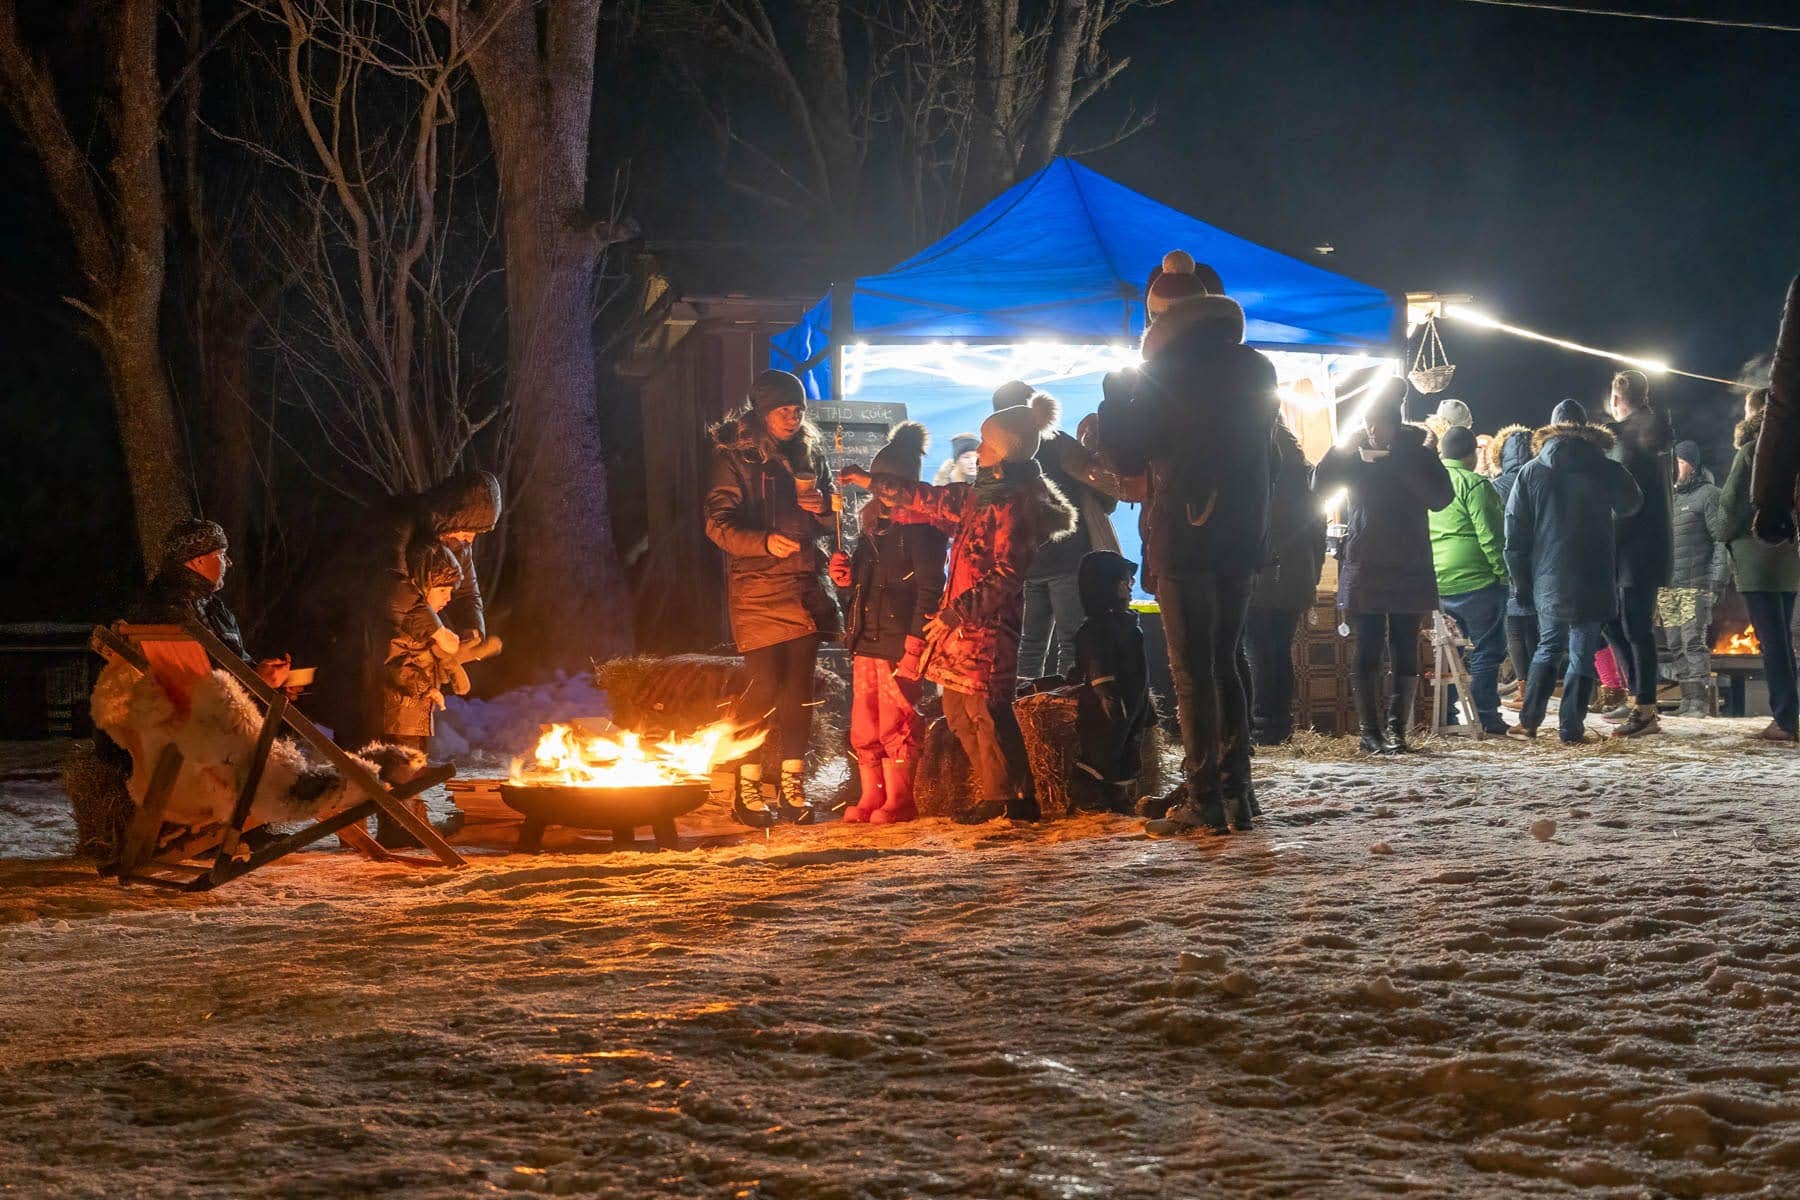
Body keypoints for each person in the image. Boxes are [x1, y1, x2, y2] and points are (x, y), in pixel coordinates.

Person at [846, 394, 1075, 824]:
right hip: (962, 627)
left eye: (987, 444)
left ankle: (1009, 798)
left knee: (986, 710)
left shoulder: (1014, 505)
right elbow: (933, 499)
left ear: (1004, 452)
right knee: (957, 711)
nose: (979, 451)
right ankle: (1000, 792)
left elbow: (1007, 573)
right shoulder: (982, 495)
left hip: (987, 629)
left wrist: (959, 611)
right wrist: (870, 483)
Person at [1098, 289, 1277, 834]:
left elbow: (1127, 454)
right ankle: (1235, 792)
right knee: (1224, 662)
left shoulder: (1170, 372)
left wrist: (1115, 396)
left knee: (1192, 669)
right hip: (1242, 536)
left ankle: (1204, 799)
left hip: (1187, 534)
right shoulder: (1255, 368)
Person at [706, 369, 841, 827]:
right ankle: (744, 790)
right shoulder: (736, 457)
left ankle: (792, 789)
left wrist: (823, 509)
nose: (793, 416)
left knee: (798, 689)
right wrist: (763, 542)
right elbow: (718, 524)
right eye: (784, 408)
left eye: (798, 408)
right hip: (757, 587)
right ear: (762, 413)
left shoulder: (809, 454)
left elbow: (835, 525)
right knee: (761, 687)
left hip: (803, 583)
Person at [1312, 398, 1454, 756]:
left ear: (1396, 425)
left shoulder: (1419, 454)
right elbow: (1319, 484)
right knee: (1368, 645)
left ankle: (1397, 730)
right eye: (1368, 424)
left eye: (1379, 424)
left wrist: (1399, 463)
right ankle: (1369, 732)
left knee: (1406, 646)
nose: (1373, 431)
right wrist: (1342, 447)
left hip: (1410, 562)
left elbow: (1440, 498)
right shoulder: (1356, 454)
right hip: (1366, 562)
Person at [828, 422, 948, 824]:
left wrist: (916, 644)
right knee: (864, 723)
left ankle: (899, 797)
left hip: (900, 641)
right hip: (868, 638)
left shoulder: (923, 530)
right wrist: (844, 578)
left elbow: (930, 589)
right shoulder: (870, 529)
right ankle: (870, 795)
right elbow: (860, 588)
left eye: (885, 484)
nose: (879, 494)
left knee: (898, 718)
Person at [1504, 400, 1642, 742]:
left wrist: (1520, 580)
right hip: (1595, 572)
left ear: (1550, 430)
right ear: (1585, 428)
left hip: (1549, 575)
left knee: (1549, 645)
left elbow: (1514, 533)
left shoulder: (1532, 471)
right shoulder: (1605, 468)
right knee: (1583, 649)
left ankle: (1530, 721)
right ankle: (1571, 728)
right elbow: (1632, 503)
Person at [992, 380, 1122, 679]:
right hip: (1068, 559)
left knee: (1027, 646)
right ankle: (1068, 713)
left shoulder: (996, 452)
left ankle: (1023, 712)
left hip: (1021, 564)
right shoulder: (1057, 442)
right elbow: (1103, 485)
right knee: (1072, 644)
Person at [1711, 387, 1799, 741]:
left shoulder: (1751, 452)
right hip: (1789, 559)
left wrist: (1720, 531)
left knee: (1771, 642)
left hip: (1757, 559)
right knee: (1782, 641)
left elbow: (1731, 506)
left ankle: (1785, 719)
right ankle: (1789, 713)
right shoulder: (1794, 451)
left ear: (1758, 413)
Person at [130, 517, 294, 691]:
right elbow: (201, 683)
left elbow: (233, 666)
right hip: (205, 712)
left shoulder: (214, 608)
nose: (228, 562)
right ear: (199, 561)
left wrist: (268, 676)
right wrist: (259, 682)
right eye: (221, 554)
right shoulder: (168, 610)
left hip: (223, 706)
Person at [375, 541, 465, 846]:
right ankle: (400, 827)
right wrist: (426, 688)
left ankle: (410, 823)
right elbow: (395, 665)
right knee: (403, 770)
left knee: (412, 766)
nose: (448, 599)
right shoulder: (405, 622)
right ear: (425, 587)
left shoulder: (424, 625)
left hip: (414, 714)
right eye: (443, 591)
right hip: (401, 713)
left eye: (451, 592)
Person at [1601, 370, 1676, 736]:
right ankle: (1636, 696)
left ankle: (1645, 709)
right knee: (1616, 623)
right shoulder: (1651, 436)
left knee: (1634, 627)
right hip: (1645, 547)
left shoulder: (1631, 440)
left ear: (1616, 400)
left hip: (1632, 549)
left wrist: (1604, 541)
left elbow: (1624, 505)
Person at [1245, 418, 1326, 746]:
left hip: (1261, 575)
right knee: (1278, 649)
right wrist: (1313, 576)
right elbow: (1318, 535)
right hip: (1296, 577)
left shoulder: (1258, 480)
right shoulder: (1304, 483)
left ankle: (1262, 721)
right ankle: (1279, 722)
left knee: (1258, 650)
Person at [1428, 425, 1511, 735]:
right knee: (1488, 649)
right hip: (1476, 581)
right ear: (1472, 454)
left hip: (1437, 581)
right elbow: (1490, 535)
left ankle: (1447, 714)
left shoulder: (1429, 484)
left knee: (1447, 651)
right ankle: (1486, 715)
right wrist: (1503, 575)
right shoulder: (1475, 484)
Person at [1062, 551, 1155, 814]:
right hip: (1108, 716)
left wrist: (1143, 708)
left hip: (1129, 710)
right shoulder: (1097, 630)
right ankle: (1090, 800)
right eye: (1125, 581)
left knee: (1123, 757)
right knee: (1103, 756)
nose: (1130, 585)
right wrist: (1114, 707)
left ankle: (1116, 797)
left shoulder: (1127, 626)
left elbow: (1139, 672)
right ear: (1109, 587)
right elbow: (1099, 673)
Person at [1661, 441, 1726, 715]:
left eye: (1679, 461)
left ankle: (1700, 703)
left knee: (1693, 643)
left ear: (1692, 464)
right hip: (1669, 588)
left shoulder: (1709, 495)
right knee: (1675, 645)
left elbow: (1721, 540)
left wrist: (1716, 582)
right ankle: (1687, 700)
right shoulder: (1669, 498)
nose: (1674, 467)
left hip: (1696, 586)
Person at [1490, 422, 1539, 700]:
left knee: (1514, 631)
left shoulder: (1496, 487)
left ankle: (1524, 689)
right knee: (1533, 628)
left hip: (1507, 563)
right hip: (1538, 563)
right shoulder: (1539, 481)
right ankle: (1536, 685)